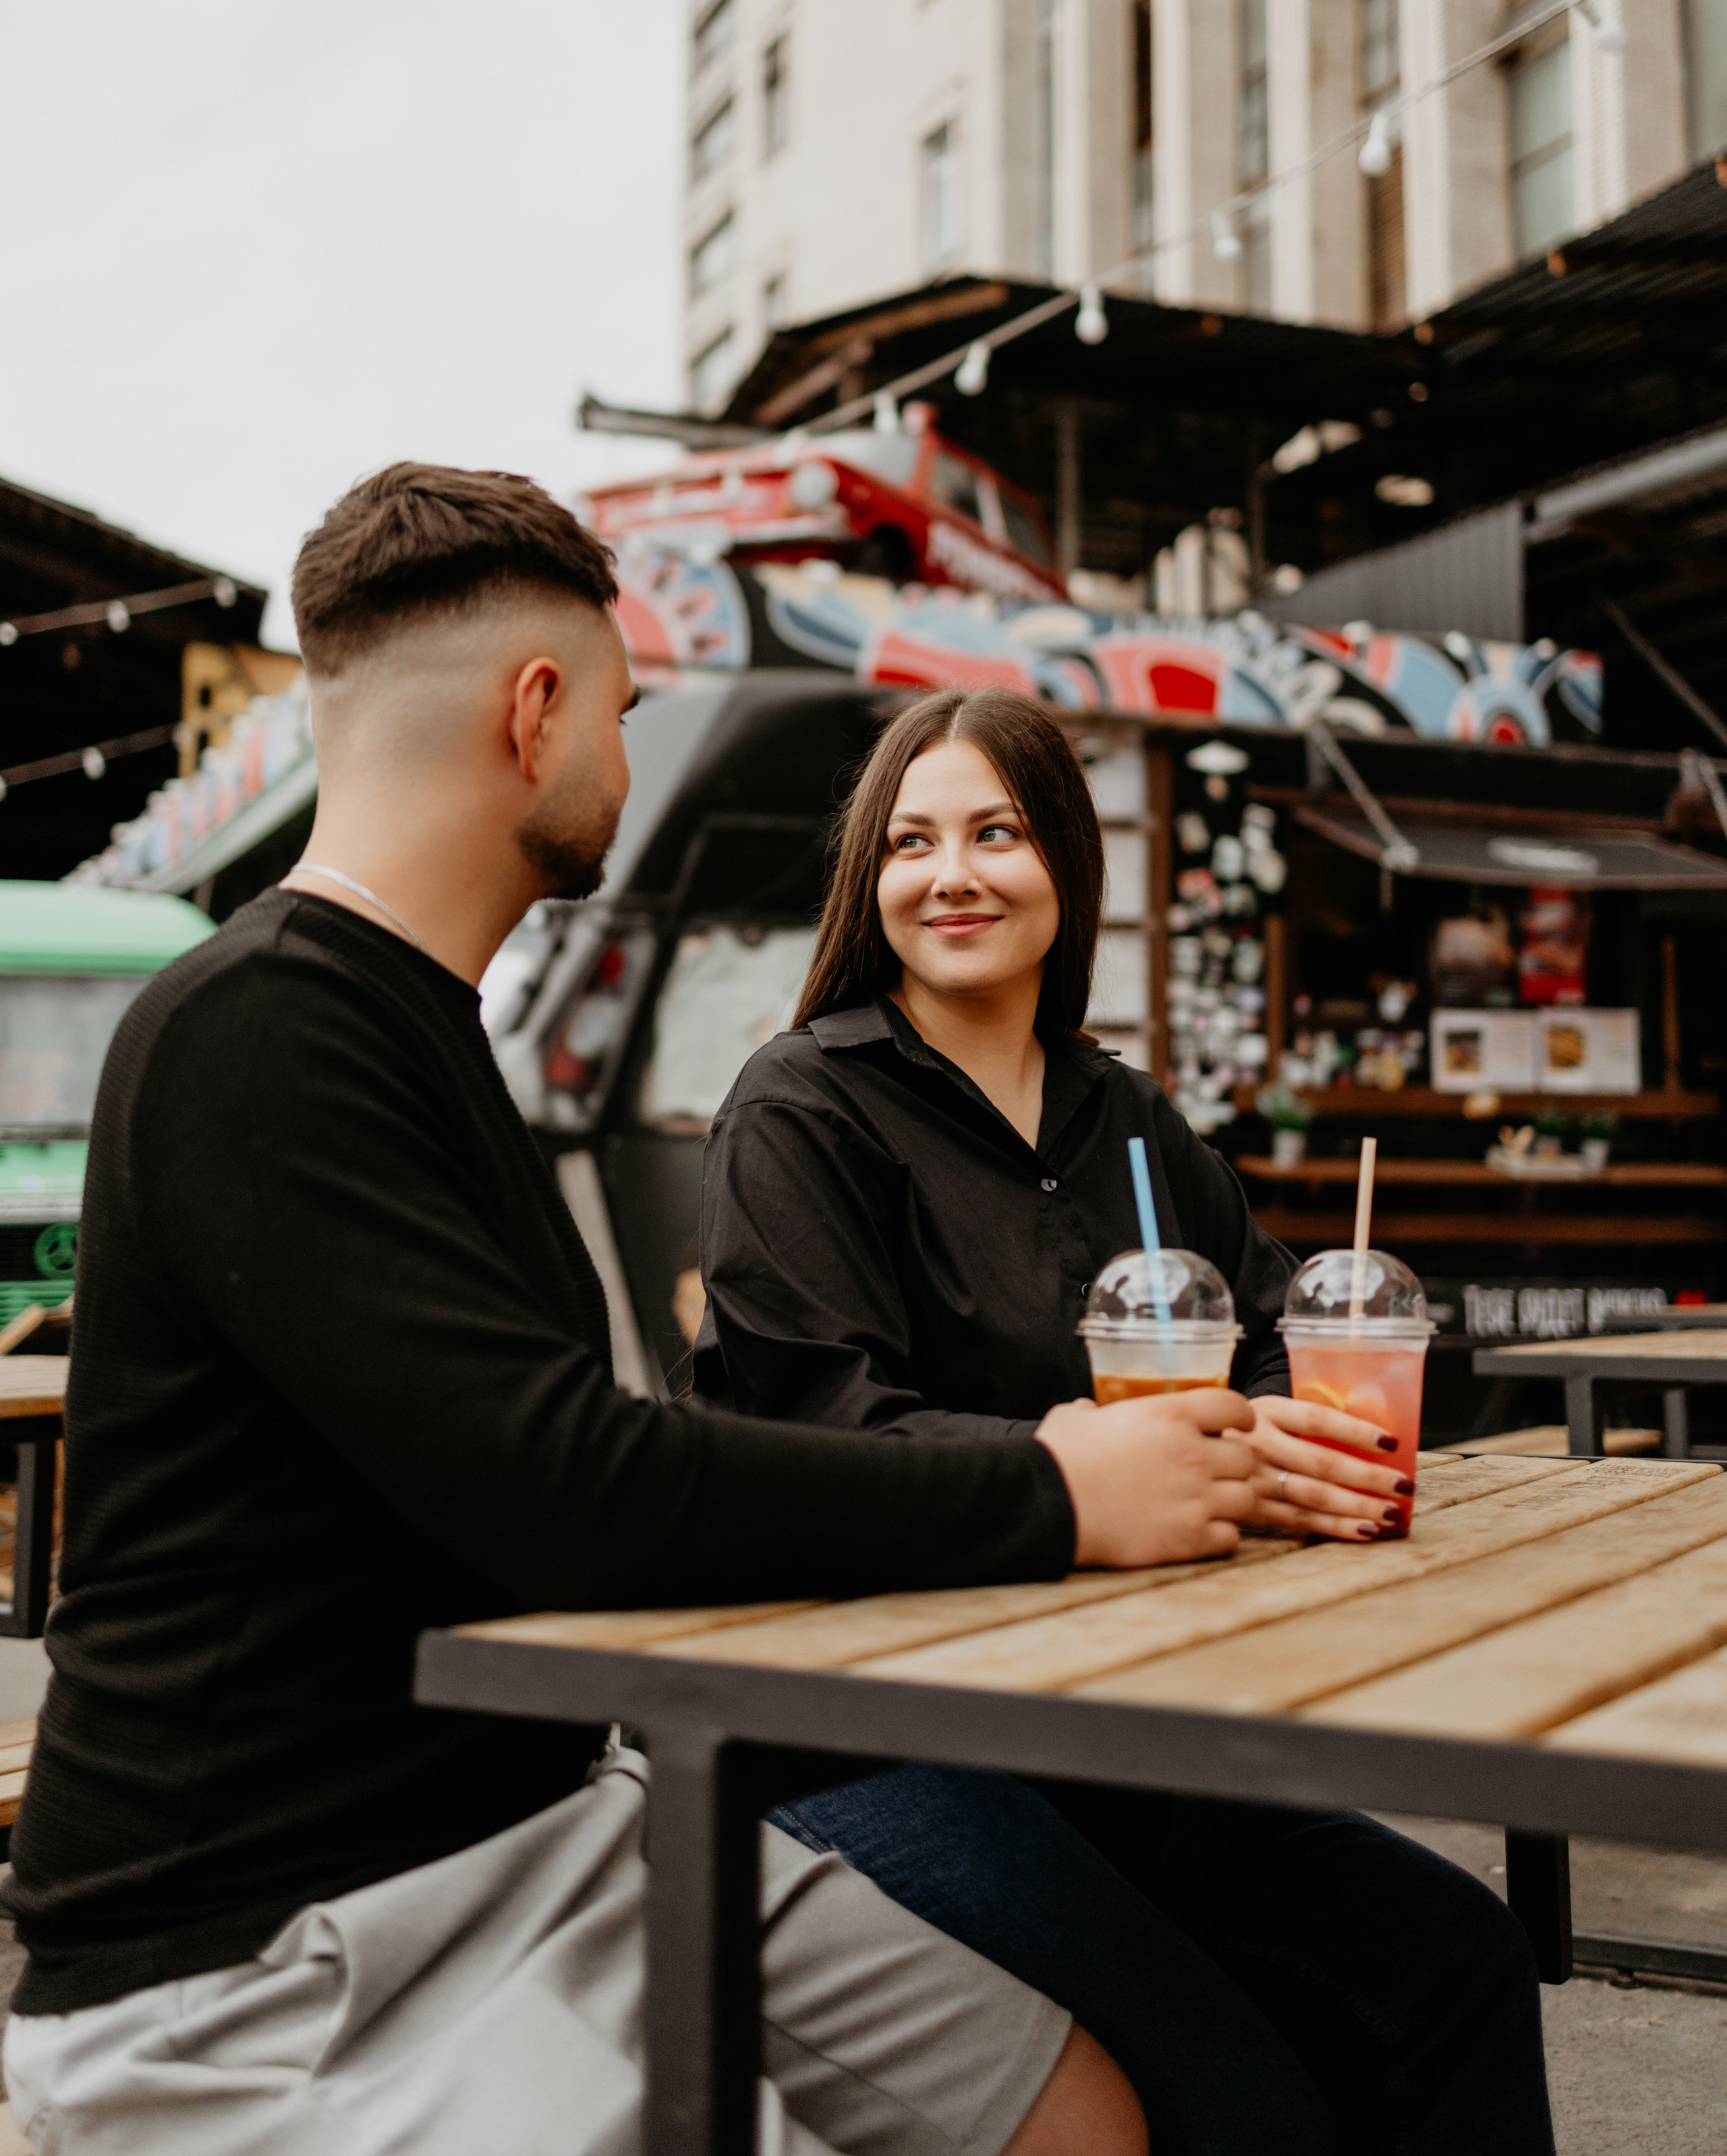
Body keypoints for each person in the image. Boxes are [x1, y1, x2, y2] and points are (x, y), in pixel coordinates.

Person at [1, 471, 1269, 2156]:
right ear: (536, 715)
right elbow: (572, 1489)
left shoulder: (423, 1029)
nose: (624, 749)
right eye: (620, 709)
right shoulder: (254, 1030)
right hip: (265, 1950)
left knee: (1079, 2117)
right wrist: (1058, 1490)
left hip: (556, 1819)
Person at [702, 688, 1556, 2156]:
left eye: (995, 831)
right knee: (1231, 2096)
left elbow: (1285, 1335)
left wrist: (1285, 1431)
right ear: (868, 880)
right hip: (866, 1723)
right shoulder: (802, 1107)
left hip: (1111, 1713)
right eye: (909, 841)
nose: (949, 871)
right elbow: (814, 1423)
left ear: (1067, 869)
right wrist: (1085, 1467)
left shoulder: (1133, 1123)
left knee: (1457, 1968)